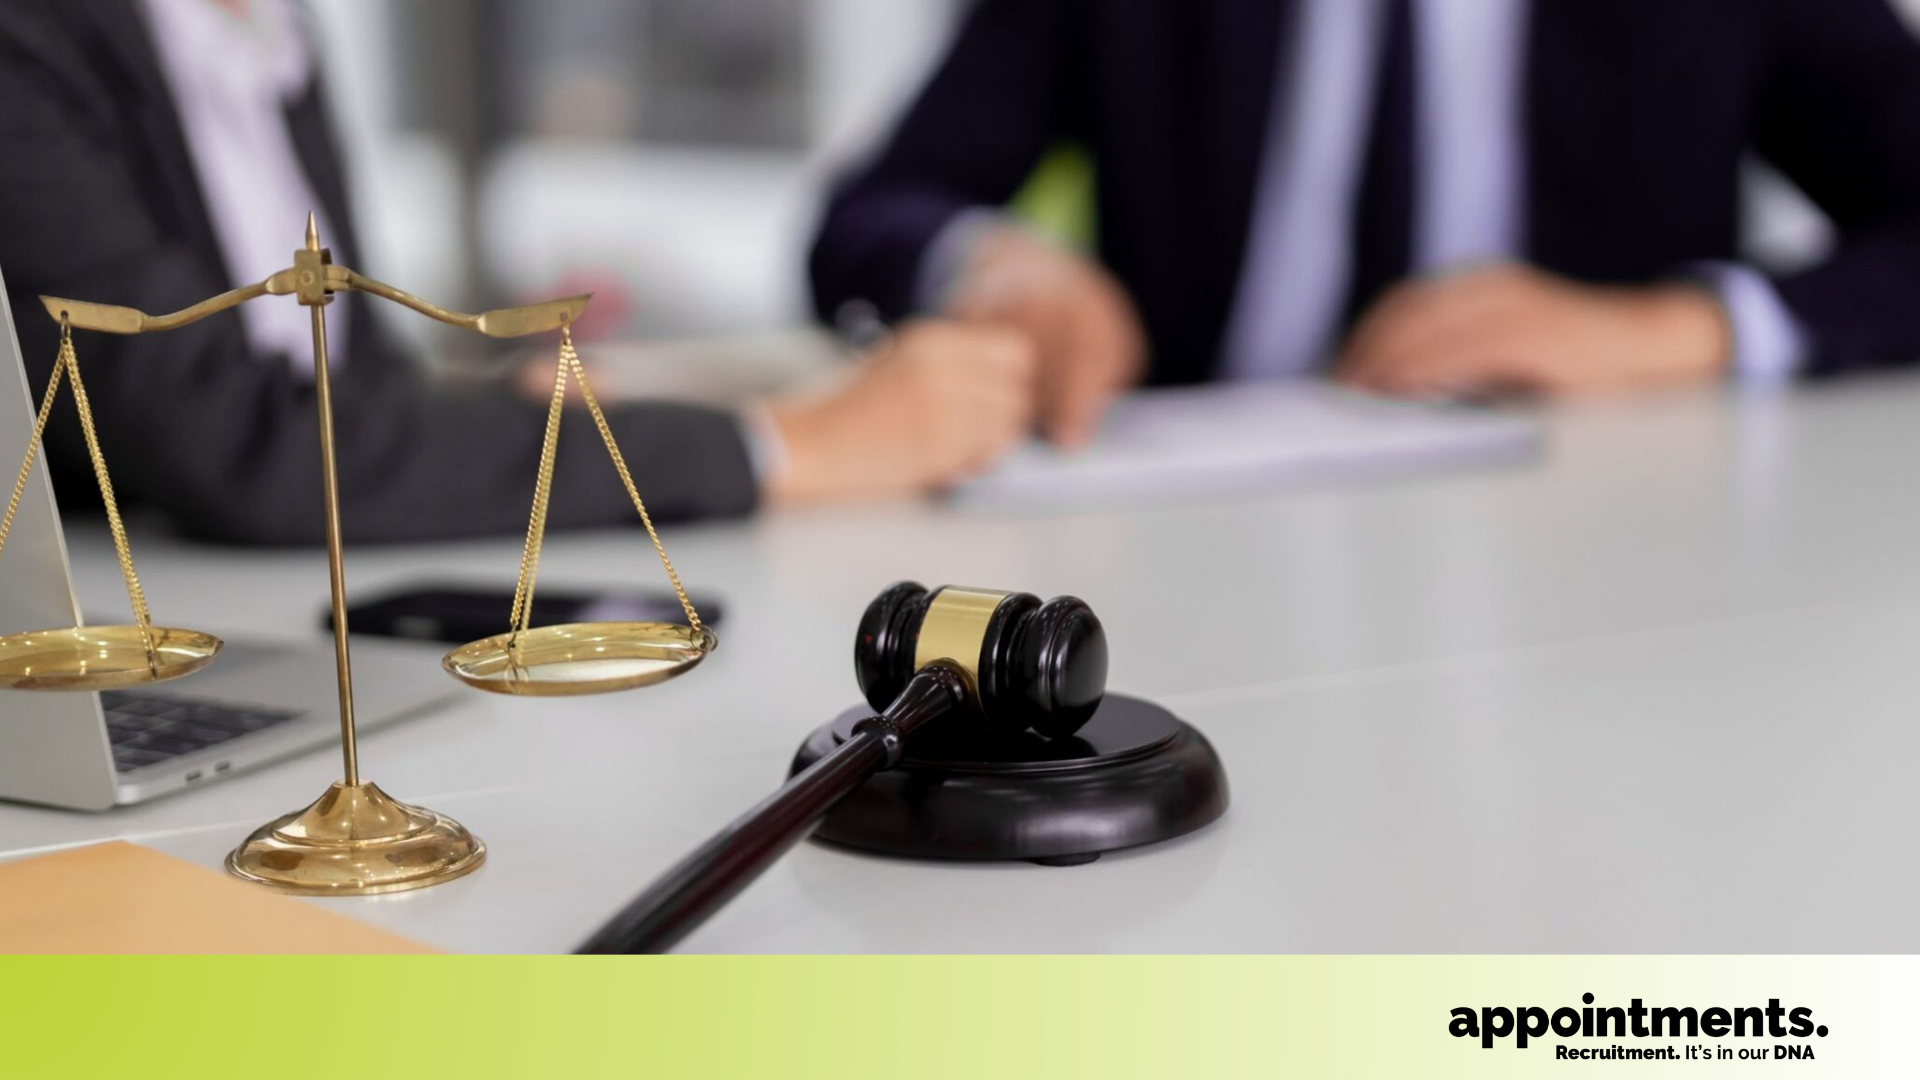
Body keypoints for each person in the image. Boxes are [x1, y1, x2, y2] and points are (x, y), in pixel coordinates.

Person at [0, 0, 1034, 544]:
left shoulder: (270, 29)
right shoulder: (32, 35)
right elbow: (238, 444)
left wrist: (512, 415)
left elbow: (344, 395)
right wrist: (785, 447)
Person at [810, 0, 1920, 448]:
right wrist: (987, 265)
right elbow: (872, 214)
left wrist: (1675, 328)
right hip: (1191, 564)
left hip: (1615, 558)